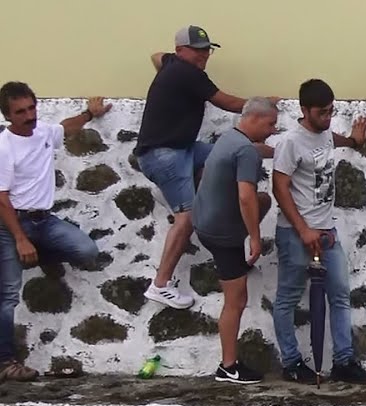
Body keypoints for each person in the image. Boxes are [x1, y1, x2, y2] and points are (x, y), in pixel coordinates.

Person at [134, 25, 272, 311]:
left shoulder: (171, 63)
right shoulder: (189, 73)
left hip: (184, 149)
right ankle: (160, 284)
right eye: (197, 50)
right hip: (165, 155)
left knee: (222, 154)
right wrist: (262, 106)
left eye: (206, 49)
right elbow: (227, 102)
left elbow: (155, 56)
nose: (203, 55)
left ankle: (174, 192)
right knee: (187, 218)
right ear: (181, 50)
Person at [0, 83, 111, 382]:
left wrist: (90, 112)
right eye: (20, 111)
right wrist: (20, 239)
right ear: (8, 115)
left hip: (44, 220)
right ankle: (5, 362)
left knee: (87, 250)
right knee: (8, 294)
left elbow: (65, 128)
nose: (29, 115)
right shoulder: (4, 147)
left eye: (31, 107)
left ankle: (39, 255)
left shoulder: (43, 132)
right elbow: (1, 198)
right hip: (10, 224)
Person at [271, 80, 366, 384]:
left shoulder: (326, 133)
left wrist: (355, 141)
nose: (327, 117)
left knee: (340, 295)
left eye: (331, 111)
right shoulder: (291, 142)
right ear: (304, 110)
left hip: (326, 231)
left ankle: (343, 361)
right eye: (321, 112)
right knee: (288, 298)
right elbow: (279, 187)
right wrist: (302, 229)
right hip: (296, 233)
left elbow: (333, 140)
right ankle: (292, 362)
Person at [191, 97, 278, 385]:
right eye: (270, 124)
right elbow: (245, 196)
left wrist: (281, 150)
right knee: (236, 299)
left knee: (264, 199)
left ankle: (238, 265)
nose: (273, 130)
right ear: (254, 119)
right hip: (222, 234)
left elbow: (258, 154)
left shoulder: (230, 138)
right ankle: (228, 367)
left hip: (203, 220)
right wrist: (254, 237)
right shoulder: (245, 152)